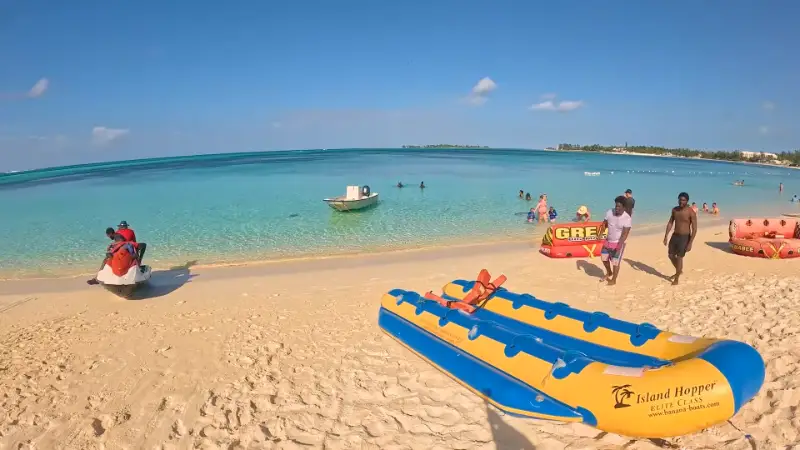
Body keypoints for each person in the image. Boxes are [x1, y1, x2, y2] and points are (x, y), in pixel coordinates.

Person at [663, 192, 697, 286]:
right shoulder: (674, 210)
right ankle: (679, 270)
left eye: (683, 200)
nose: (681, 202)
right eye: (680, 199)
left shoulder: (691, 212)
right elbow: (670, 223)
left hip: (685, 237)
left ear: (687, 201)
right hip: (675, 236)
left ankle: (677, 278)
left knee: (679, 257)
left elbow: (694, 229)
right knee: (670, 255)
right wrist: (666, 236)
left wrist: (690, 243)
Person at [597, 196, 632, 286]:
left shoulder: (627, 218)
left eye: (619, 206)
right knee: (604, 259)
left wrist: (619, 246)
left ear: (624, 207)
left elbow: (625, 234)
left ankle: (614, 279)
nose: (617, 208)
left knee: (615, 262)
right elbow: (604, 224)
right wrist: (600, 234)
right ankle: (609, 272)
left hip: (618, 242)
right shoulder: (609, 212)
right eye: (616, 206)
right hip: (607, 241)